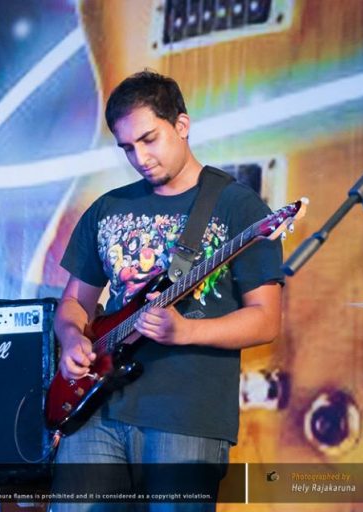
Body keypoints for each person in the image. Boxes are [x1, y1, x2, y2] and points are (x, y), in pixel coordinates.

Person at [50, 70, 285, 511]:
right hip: (97, 410)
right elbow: (74, 304)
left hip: (187, 415)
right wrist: (71, 338)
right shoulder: (108, 208)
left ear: (181, 124)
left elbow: (266, 319)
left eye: (149, 139)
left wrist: (186, 332)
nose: (140, 157)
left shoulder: (238, 206)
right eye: (127, 148)